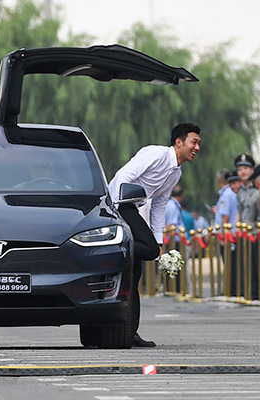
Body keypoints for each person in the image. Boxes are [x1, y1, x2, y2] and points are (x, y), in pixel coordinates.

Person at [108, 122, 201, 347]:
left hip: (134, 207)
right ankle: (112, 246)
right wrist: (115, 214)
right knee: (146, 249)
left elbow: (159, 206)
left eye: (199, 143)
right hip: (120, 205)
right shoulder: (156, 154)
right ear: (179, 142)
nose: (197, 147)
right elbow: (124, 175)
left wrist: (159, 242)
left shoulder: (175, 173)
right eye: (194, 142)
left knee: (134, 273)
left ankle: (130, 333)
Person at [234, 154, 260, 299]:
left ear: (252, 170)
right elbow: (239, 211)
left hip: (257, 234)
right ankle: (248, 292)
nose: (242, 172)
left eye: (245, 168)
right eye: (240, 169)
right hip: (243, 234)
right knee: (245, 265)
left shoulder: (258, 189)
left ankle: (258, 293)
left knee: (257, 265)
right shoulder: (240, 191)